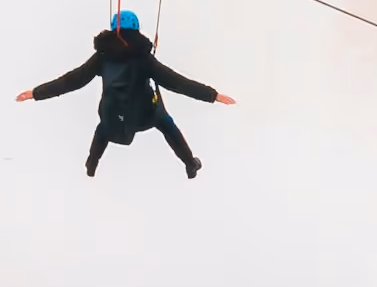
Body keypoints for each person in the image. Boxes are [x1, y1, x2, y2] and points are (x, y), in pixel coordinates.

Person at [16, 10, 234, 182]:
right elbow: (177, 82)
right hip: (144, 117)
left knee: (102, 126)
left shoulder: (102, 57)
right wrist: (212, 95)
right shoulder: (145, 59)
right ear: (137, 30)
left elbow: (73, 80)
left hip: (112, 118)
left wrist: (36, 93)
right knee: (166, 122)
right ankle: (190, 163)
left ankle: (92, 163)